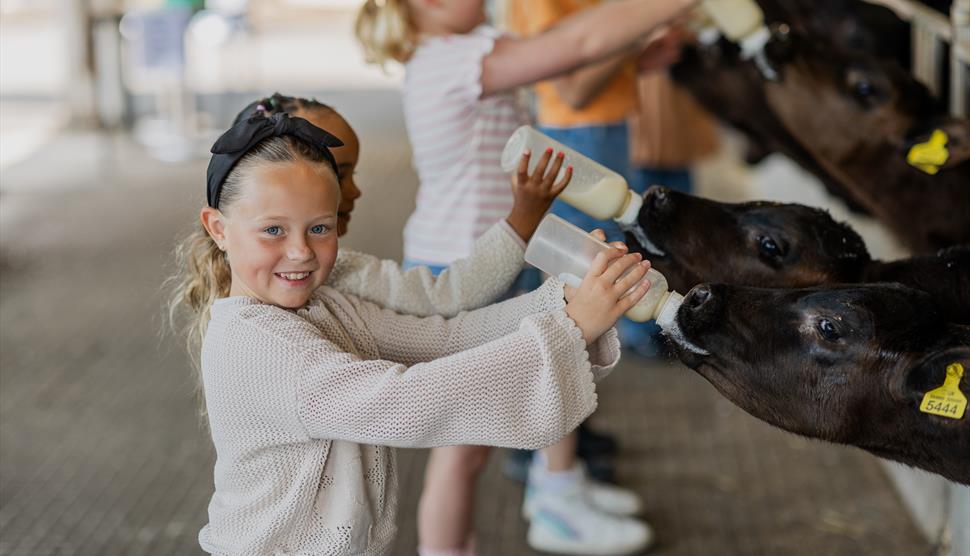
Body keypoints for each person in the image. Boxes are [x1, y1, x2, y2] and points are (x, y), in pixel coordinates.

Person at [167, 110, 653, 555]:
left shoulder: (325, 304)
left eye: (320, 228)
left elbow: (445, 338)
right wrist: (571, 328)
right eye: (273, 230)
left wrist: (569, 300)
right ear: (218, 228)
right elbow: (404, 402)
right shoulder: (260, 348)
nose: (301, 252)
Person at [355, 1, 695, 554]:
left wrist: (634, 53)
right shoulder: (454, 60)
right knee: (463, 444)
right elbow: (577, 45)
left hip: (500, 251)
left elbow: (573, 68)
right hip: (459, 271)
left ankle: (559, 493)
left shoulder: (463, 52)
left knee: (552, 368)